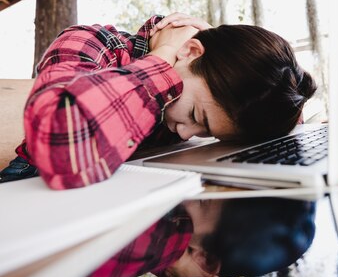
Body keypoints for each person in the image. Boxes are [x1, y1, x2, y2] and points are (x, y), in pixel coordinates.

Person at [0, 13, 316, 189]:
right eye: (196, 115)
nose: (185, 133)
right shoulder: (92, 43)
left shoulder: (200, 80)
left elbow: (275, 104)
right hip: (32, 191)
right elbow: (62, 150)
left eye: (207, 132)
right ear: (190, 51)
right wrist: (163, 59)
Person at [54, 197, 317, 277]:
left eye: (203, 200)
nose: (195, 188)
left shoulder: (145, 238)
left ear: (205, 257)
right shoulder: (154, 248)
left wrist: (176, 259)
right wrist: (178, 262)